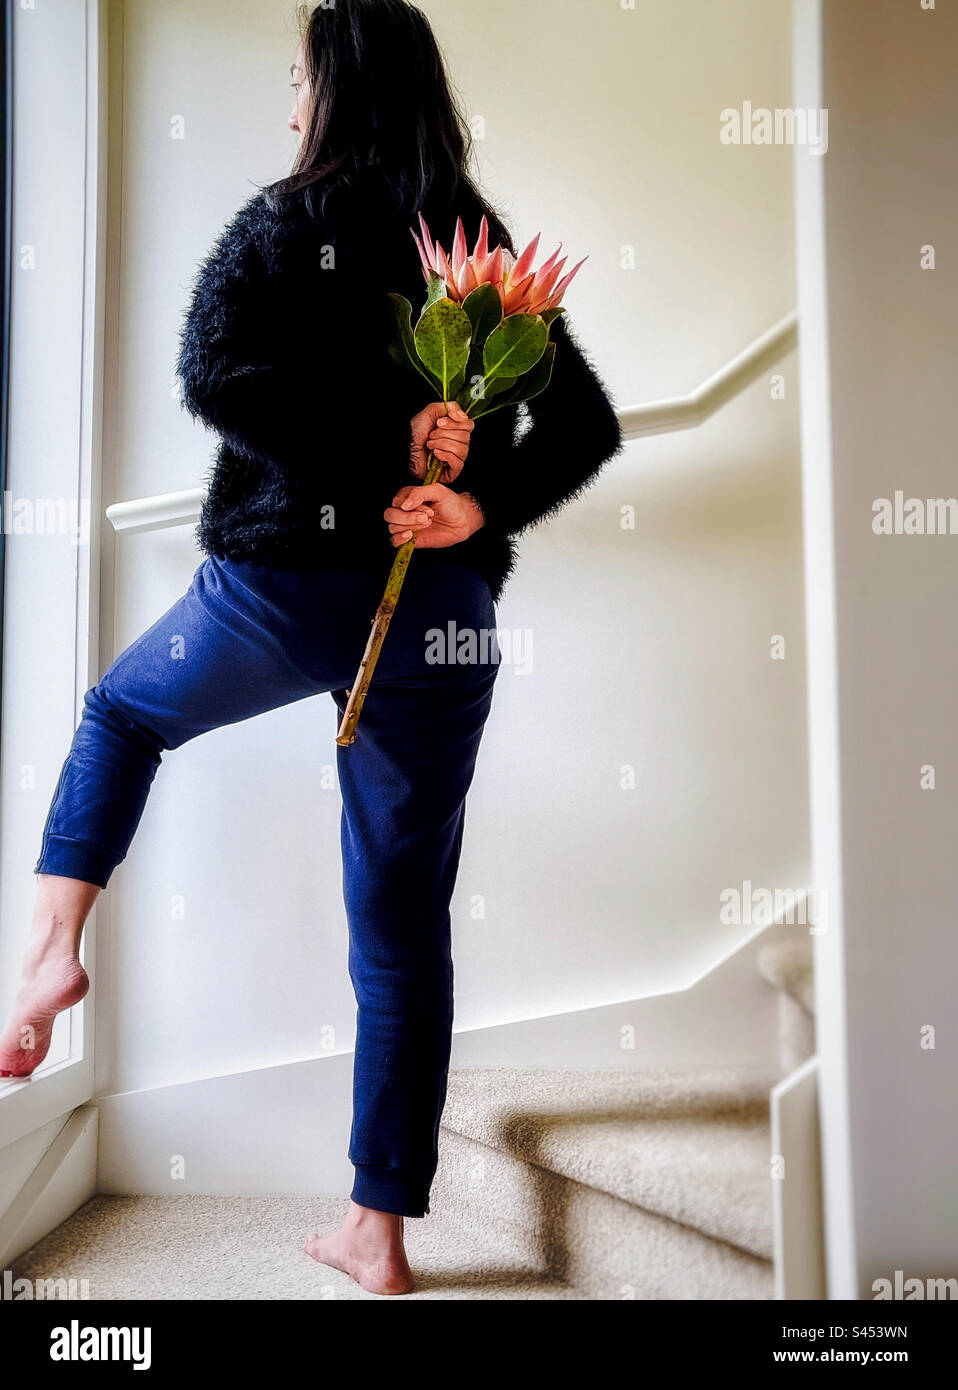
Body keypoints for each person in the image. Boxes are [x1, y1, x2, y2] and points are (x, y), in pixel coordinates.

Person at [0, 0, 622, 1295]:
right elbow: (583, 424)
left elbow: (212, 369)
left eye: (296, 77)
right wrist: (460, 497)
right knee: (402, 930)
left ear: (331, 85)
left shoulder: (287, 220)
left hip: (281, 589)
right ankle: (377, 1232)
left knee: (121, 715)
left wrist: (375, 459)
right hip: (436, 613)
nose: (288, 103)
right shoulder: (476, 240)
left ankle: (52, 947)